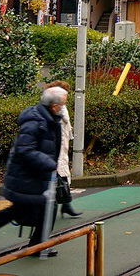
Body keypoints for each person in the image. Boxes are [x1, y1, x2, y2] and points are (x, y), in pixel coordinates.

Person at [0, 87, 67, 258]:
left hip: (35, 176)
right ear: (54, 105)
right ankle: (36, 246)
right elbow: (24, 149)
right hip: (26, 177)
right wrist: (48, 163)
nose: (64, 106)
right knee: (37, 209)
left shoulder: (49, 118)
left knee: (24, 210)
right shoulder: (35, 121)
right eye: (63, 103)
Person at [44, 81, 80, 218]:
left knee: (62, 174)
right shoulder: (55, 108)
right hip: (55, 146)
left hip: (61, 145)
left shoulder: (59, 107)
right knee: (59, 174)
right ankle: (64, 205)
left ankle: (65, 205)